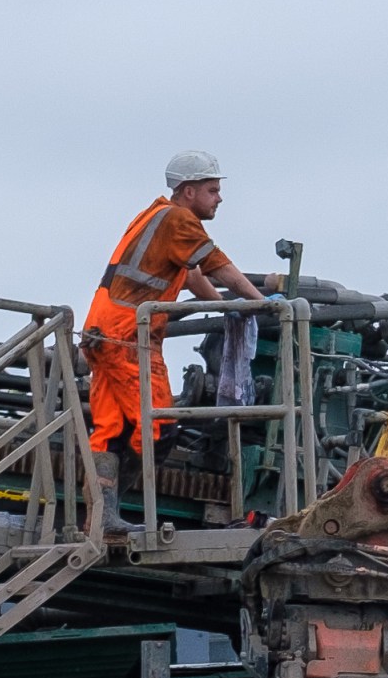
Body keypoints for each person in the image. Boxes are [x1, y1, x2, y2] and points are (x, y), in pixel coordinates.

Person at [90, 153, 267, 527]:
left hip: (103, 329)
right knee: (160, 430)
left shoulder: (155, 214)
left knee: (114, 428)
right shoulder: (179, 219)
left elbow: (191, 275)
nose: (219, 198)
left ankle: (100, 517)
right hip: (127, 336)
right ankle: (107, 515)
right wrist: (261, 303)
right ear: (189, 191)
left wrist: (224, 307)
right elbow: (219, 265)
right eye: (212, 190)